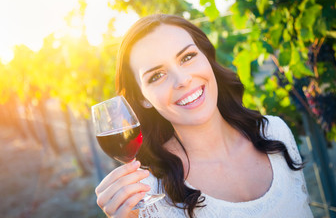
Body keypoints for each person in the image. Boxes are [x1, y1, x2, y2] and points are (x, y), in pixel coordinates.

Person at [95, 14, 313, 218]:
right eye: (157, 76)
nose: (182, 80)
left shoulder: (275, 132)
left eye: (188, 57)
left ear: (206, 57)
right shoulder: (147, 195)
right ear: (142, 98)